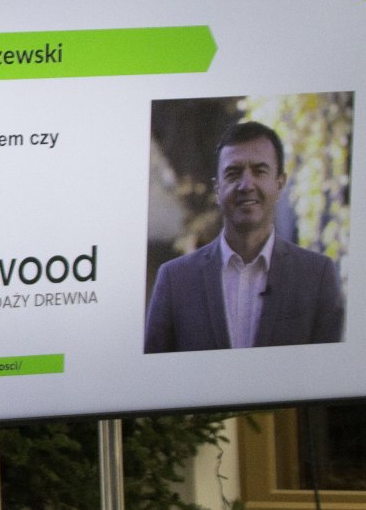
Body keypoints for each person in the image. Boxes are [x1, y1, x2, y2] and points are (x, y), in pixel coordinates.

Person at [144, 119, 345, 353]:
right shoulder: (175, 280)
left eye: (259, 171)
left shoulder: (317, 276)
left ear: (280, 184)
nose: (247, 185)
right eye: (233, 173)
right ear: (218, 188)